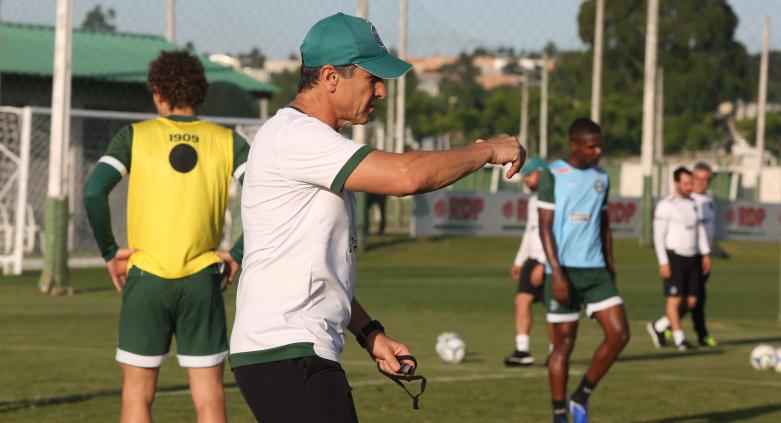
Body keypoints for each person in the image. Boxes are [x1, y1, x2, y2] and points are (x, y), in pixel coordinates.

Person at [228, 13, 525, 423]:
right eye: (372, 78)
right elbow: (408, 176)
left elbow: (317, 271)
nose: (382, 91)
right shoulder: (296, 136)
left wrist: (370, 334)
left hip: (288, 352)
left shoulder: (309, 142)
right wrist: (488, 151)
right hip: (288, 352)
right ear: (330, 77)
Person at [83, 50, 245, 423]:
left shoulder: (134, 137)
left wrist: (110, 251)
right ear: (200, 92)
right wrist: (238, 251)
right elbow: (263, 192)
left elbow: (93, 191)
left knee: (137, 396)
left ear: (157, 92)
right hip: (204, 277)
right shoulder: (228, 141)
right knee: (209, 399)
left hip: (146, 275)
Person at [538, 118, 630, 423]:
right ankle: (560, 412)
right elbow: (545, 227)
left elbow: (604, 226)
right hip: (563, 272)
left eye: (600, 144)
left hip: (596, 272)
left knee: (620, 335)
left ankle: (581, 395)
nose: (598, 150)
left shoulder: (602, 176)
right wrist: (557, 273)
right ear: (575, 145)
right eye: (591, 146)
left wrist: (611, 267)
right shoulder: (553, 174)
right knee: (563, 345)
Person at [646, 167, 711, 351]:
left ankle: (659, 326)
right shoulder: (666, 205)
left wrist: (705, 253)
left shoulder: (693, 203)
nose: (690, 187)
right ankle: (679, 339)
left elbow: (699, 231)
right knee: (674, 300)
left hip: (692, 258)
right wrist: (663, 261)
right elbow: (658, 236)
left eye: (691, 183)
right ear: (676, 184)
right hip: (674, 257)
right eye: (686, 184)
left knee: (691, 301)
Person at [505, 157, 553, 367]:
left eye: (530, 174)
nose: (526, 179)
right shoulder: (534, 200)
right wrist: (519, 260)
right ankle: (522, 350)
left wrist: (544, 263)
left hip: (551, 262)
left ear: (543, 174)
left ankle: (555, 352)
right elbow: (530, 232)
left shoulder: (556, 199)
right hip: (533, 260)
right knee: (521, 302)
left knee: (554, 309)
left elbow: (555, 234)